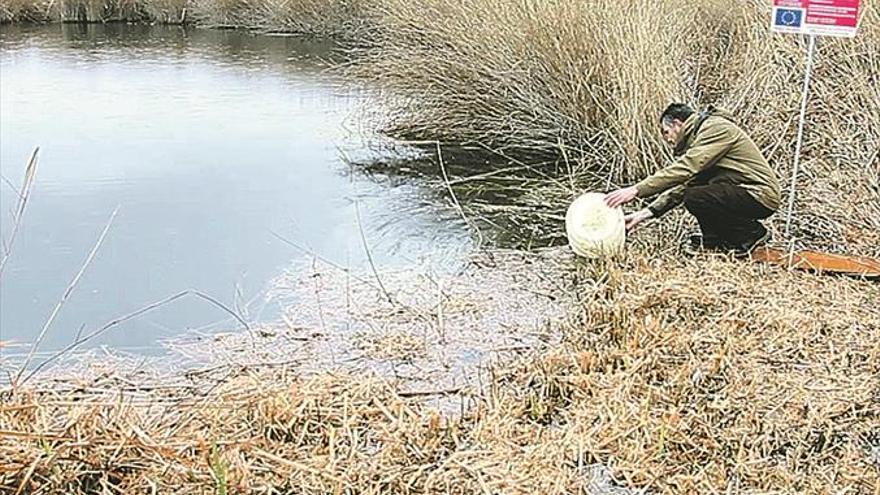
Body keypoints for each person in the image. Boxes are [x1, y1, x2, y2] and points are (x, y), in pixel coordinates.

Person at [605, 103, 781, 254]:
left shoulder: (716, 129)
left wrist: (636, 190)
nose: (668, 140)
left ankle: (752, 235)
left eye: (666, 133)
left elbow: (687, 167)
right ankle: (716, 241)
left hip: (759, 194)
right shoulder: (703, 137)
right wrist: (644, 214)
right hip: (742, 192)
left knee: (696, 197)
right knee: (696, 192)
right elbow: (685, 184)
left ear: (677, 123)